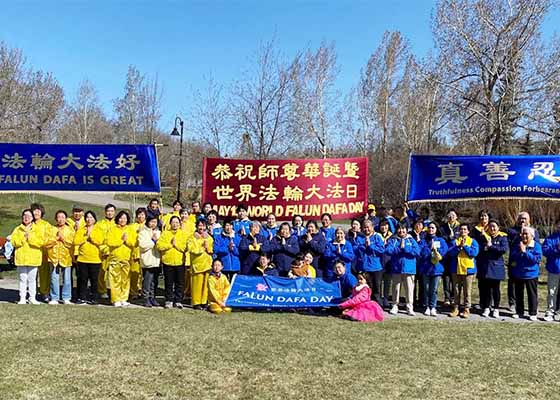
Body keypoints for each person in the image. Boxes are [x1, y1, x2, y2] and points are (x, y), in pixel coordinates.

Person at [506, 211, 539, 312]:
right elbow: (509, 244)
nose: (522, 220)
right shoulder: (511, 231)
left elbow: (535, 245)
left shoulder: (534, 231)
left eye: (525, 218)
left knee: (531, 289)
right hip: (515, 260)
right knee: (513, 284)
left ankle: (533, 309)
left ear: (529, 220)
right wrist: (519, 234)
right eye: (521, 218)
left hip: (528, 263)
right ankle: (513, 303)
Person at [11, 209, 45, 305]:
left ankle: (32, 298)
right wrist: (23, 238)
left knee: (32, 279)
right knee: (22, 279)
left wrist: (30, 238)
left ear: (32, 218)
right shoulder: (17, 229)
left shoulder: (37, 229)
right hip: (21, 258)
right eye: (24, 216)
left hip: (33, 258)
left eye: (29, 216)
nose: (26, 218)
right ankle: (22, 298)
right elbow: (14, 242)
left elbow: (41, 242)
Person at [386, 224, 420, 316]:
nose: (401, 231)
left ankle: (409, 306)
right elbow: (388, 250)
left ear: (406, 230)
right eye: (399, 229)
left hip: (409, 269)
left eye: (403, 229)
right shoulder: (393, 240)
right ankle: (395, 305)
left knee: (409, 289)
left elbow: (417, 252)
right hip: (396, 268)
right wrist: (399, 249)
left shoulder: (411, 240)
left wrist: (405, 248)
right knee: (396, 288)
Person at [477, 219, 508, 318]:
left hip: (496, 268)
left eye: (494, 226)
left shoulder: (502, 238)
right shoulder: (484, 237)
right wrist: (485, 247)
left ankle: (496, 308)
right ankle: (486, 307)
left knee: (496, 289)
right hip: (485, 267)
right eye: (490, 227)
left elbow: (503, 250)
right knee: (486, 289)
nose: (492, 228)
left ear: (498, 228)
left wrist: (491, 247)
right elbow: (480, 249)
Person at [447, 223, 479, 318]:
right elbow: (450, 253)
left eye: (465, 229)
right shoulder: (454, 241)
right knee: (456, 290)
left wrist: (464, 246)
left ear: (468, 231)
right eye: (461, 229)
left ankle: (466, 309)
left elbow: (474, 253)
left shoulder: (473, 241)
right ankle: (456, 308)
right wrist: (458, 247)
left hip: (468, 269)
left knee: (467, 290)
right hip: (456, 269)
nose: (463, 231)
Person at [106, 210, 137, 307]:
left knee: (125, 280)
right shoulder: (112, 229)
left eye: (125, 218)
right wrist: (121, 241)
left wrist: (126, 240)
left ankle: (124, 298)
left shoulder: (130, 229)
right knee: (114, 280)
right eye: (121, 218)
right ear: (117, 219)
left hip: (126, 259)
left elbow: (134, 243)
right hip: (115, 258)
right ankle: (115, 299)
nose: (122, 220)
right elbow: (109, 242)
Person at [510, 226, 542, 321]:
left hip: (531, 274)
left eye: (526, 234)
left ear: (532, 236)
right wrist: (520, 252)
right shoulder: (517, 245)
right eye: (523, 234)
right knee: (518, 293)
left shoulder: (536, 246)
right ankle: (519, 311)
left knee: (532, 294)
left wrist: (525, 252)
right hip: (519, 274)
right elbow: (513, 258)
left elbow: (536, 259)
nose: (524, 236)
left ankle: (533, 312)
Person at [73, 211, 104, 305]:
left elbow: (100, 241)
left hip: (95, 259)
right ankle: (82, 297)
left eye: (91, 217)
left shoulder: (98, 229)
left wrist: (92, 238)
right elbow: (76, 241)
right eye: (87, 217)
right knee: (82, 279)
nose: (89, 219)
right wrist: (85, 237)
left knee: (94, 280)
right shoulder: (81, 229)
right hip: (82, 259)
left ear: (94, 219)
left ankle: (94, 298)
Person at [157, 216, 188, 309]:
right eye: (173, 222)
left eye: (177, 222)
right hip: (168, 262)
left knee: (179, 283)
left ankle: (178, 300)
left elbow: (185, 248)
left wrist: (176, 245)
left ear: (180, 224)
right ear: (170, 224)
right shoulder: (165, 234)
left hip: (179, 262)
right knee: (168, 282)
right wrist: (170, 245)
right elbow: (159, 246)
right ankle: (169, 300)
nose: (175, 224)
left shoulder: (183, 234)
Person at [45, 210, 75, 305]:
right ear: (56, 219)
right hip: (53, 257)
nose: (61, 219)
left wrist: (63, 239)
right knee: (54, 278)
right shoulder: (51, 229)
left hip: (66, 257)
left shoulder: (70, 230)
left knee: (67, 279)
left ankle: (66, 297)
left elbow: (72, 243)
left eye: (63, 217)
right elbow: (46, 243)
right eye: (59, 217)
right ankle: (54, 297)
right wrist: (56, 239)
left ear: (66, 219)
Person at [418, 222, 448, 316]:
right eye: (429, 228)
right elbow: (420, 252)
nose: (431, 229)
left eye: (433, 228)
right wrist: (429, 249)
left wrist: (436, 251)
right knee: (426, 289)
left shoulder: (441, 240)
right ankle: (426, 306)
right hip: (426, 269)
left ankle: (433, 307)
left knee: (434, 289)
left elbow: (444, 252)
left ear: (436, 229)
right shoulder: (423, 241)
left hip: (437, 269)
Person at [355, 220, 385, 303]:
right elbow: (355, 249)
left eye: (368, 227)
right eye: (364, 227)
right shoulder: (359, 238)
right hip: (364, 268)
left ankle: (377, 307)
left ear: (372, 228)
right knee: (364, 289)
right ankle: (365, 307)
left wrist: (371, 246)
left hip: (375, 268)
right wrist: (363, 246)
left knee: (376, 290)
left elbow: (382, 250)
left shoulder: (377, 237)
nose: (366, 229)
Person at [188, 220, 214, 309]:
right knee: (197, 284)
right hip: (197, 264)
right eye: (199, 226)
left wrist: (208, 248)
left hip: (207, 264)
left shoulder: (209, 238)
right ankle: (196, 302)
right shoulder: (192, 237)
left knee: (205, 285)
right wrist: (202, 248)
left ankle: (204, 301)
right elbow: (191, 249)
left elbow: (212, 250)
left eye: (203, 226)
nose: (201, 228)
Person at [138, 215, 161, 308]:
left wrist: (157, 242)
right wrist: (153, 241)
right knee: (147, 280)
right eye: (151, 222)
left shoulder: (159, 232)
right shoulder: (143, 232)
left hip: (156, 259)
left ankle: (152, 297)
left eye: (155, 222)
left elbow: (161, 245)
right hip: (147, 260)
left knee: (155, 281)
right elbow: (143, 245)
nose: (153, 224)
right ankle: (146, 298)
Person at [30, 203, 52, 301]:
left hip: (43, 253)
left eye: (38, 210)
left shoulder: (46, 224)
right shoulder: (28, 224)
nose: (36, 212)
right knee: (31, 275)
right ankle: (32, 294)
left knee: (44, 275)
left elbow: (49, 238)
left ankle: (45, 292)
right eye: (34, 210)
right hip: (31, 253)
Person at [440, 210, 460, 306]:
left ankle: (454, 297)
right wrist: (450, 237)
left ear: (456, 217)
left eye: (453, 215)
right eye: (449, 215)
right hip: (446, 256)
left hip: (457, 256)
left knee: (455, 279)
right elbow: (442, 238)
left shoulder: (460, 227)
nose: (451, 217)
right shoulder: (443, 227)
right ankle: (447, 297)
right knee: (446, 278)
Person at [97, 204, 116, 299]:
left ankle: (114, 291)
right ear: (105, 212)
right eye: (108, 211)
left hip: (114, 252)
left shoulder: (117, 223)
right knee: (102, 273)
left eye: (112, 211)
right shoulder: (100, 224)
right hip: (103, 252)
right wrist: (103, 248)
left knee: (114, 273)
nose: (110, 213)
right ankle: (102, 291)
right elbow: (98, 238)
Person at [543, 218, 560, 321]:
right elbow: (545, 251)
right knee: (552, 291)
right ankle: (550, 311)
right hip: (554, 268)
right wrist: (556, 249)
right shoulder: (551, 238)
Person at [129, 207, 147, 300]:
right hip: (135, 252)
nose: (140, 216)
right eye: (139, 214)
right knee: (135, 273)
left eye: (143, 214)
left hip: (145, 253)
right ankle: (134, 291)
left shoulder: (147, 226)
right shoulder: (132, 226)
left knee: (144, 274)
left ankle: (143, 290)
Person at [378, 219, 393, 308]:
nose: (384, 227)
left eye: (385, 225)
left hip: (389, 263)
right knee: (378, 283)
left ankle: (386, 299)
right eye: (382, 225)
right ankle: (379, 299)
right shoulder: (377, 236)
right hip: (379, 263)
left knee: (387, 282)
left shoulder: (392, 236)